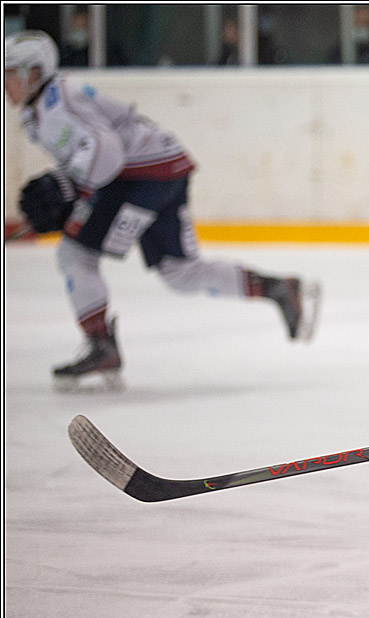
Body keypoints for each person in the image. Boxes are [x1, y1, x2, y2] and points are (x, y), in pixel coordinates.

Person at [5, 31, 320, 392]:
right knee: (180, 272)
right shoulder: (42, 107)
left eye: (10, 74)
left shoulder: (58, 103)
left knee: (76, 253)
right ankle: (276, 287)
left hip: (138, 178)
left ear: (34, 72)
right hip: (163, 168)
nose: (5, 84)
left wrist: (71, 185)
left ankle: (101, 345)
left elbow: (107, 152)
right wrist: (73, 184)